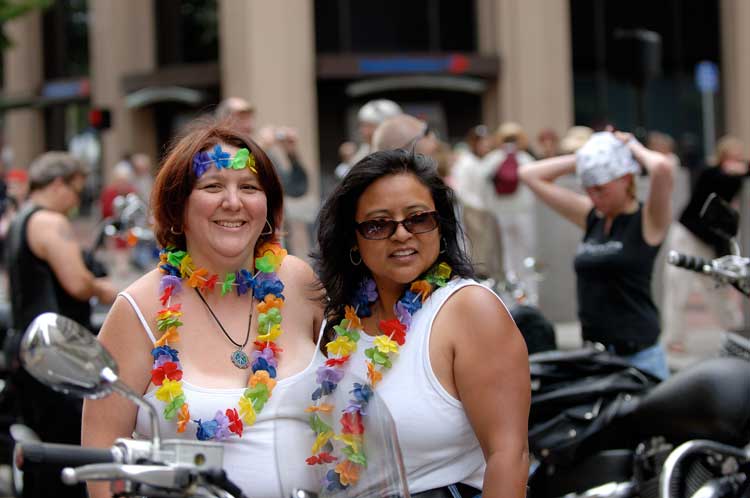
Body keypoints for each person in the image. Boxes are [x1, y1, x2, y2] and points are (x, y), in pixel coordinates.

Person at [81, 120, 325, 498]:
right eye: (213, 186)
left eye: (249, 187)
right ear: (177, 206)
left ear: (269, 205)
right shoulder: (137, 309)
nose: (233, 202)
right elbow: (102, 463)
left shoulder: (299, 282)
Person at [313, 148, 530, 498]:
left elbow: (509, 455)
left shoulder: (469, 309)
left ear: (440, 227)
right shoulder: (338, 322)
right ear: (354, 238)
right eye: (378, 224)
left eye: (418, 218)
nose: (401, 234)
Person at [5, 151, 118, 498]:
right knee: (70, 449)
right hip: (56, 354)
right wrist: (109, 290)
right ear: (57, 184)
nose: (74, 201)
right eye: (75, 190)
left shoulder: (19, 220)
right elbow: (78, 283)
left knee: (47, 446)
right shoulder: (49, 222)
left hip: (28, 347)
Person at [519, 130, 675, 379]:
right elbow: (529, 175)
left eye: (601, 189)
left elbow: (662, 168)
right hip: (594, 357)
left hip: (639, 357)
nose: (594, 196)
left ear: (625, 179)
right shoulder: (593, 216)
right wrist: (585, 156)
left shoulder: (647, 221)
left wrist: (630, 146)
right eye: (588, 189)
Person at [661, 135, 747, 352]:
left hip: (713, 240)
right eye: (731, 157)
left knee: (718, 288)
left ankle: (735, 332)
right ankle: (674, 338)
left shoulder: (736, 176)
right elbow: (710, 185)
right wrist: (732, 171)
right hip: (689, 234)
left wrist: (741, 170)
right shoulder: (710, 173)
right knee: (677, 285)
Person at [452, 125, 505, 283]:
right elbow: (462, 191)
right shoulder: (466, 162)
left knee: (490, 247)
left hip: (487, 210)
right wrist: (479, 206)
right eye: (482, 142)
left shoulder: (486, 160)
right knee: (476, 247)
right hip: (473, 211)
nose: (486, 145)